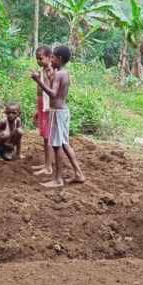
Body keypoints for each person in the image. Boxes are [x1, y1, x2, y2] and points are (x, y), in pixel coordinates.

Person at [30, 45, 84, 188]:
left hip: (57, 112)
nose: (50, 59)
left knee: (57, 145)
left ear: (59, 59)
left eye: (52, 57)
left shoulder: (59, 74)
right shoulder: (64, 73)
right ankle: (78, 173)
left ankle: (58, 179)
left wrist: (38, 80)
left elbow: (53, 94)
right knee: (65, 144)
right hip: (63, 111)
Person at [31, 45, 54, 175]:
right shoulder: (43, 69)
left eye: (40, 58)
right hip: (42, 104)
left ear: (49, 57)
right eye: (36, 59)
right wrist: (37, 109)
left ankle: (49, 166)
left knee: (48, 136)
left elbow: (51, 91)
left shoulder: (50, 71)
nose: (38, 61)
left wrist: (38, 80)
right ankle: (46, 163)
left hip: (48, 106)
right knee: (45, 136)